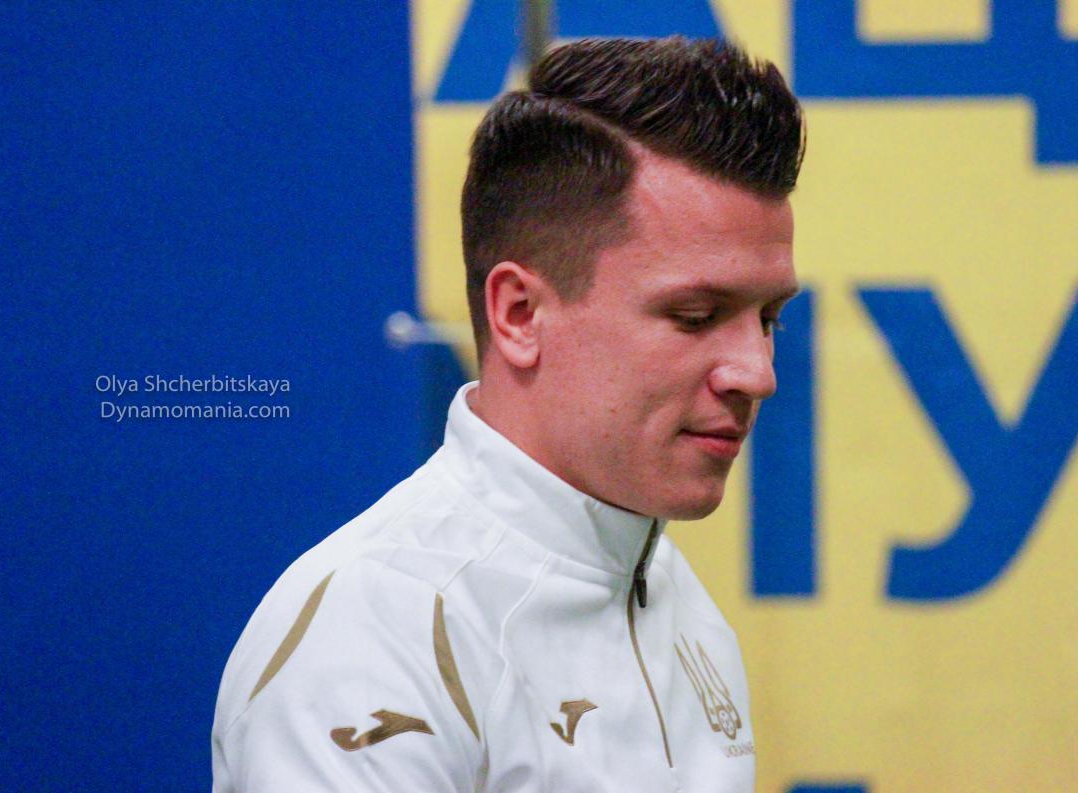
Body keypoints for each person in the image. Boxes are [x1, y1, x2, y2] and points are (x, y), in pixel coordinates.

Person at [212, 35, 805, 792]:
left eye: (768, 318)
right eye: (695, 315)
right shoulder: (370, 639)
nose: (757, 373)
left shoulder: (683, 607)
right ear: (520, 314)